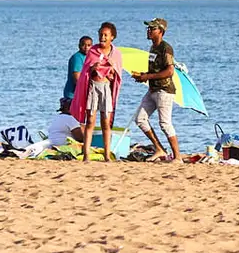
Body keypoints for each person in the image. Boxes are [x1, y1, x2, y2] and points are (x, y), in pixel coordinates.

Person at [130, 18, 181, 163]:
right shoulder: (152, 48)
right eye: (149, 28)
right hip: (152, 89)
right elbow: (156, 69)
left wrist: (148, 76)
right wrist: (143, 76)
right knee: (140, 119)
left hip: (164, 90)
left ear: (161, 31)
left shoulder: (166, 48)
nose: (149, 31)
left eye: (152, 29)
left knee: (165, 124)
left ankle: (177, 156)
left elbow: (170, 71)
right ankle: (159, 149)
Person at [72, 23, 124, 162]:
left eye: (106, 35)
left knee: (106, 122)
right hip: (93, 88)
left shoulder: (116, 53)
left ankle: (107, 155)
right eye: (101, 34)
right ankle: (86, 154)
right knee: (90, 121)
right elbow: (85, 72)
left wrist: (112, 70)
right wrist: (93, 68)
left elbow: (118, 75)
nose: (102, 37)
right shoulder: (93, 51)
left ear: (112, 37)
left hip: (106, 88)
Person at [63, 35, 93, 104]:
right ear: (79, 46)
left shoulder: (88, 57)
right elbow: (77, 79)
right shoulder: (77, 58)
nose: (86, 47)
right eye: (83, 45)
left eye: (89, 45)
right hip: (73, 95)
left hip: (79, 94)